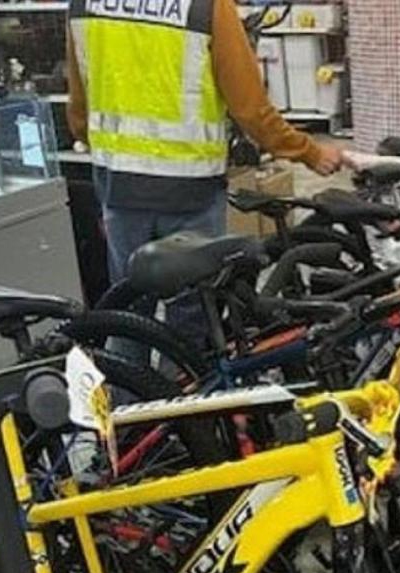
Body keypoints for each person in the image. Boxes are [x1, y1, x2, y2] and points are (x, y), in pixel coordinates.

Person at [64, 0, 344, 349]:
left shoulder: (84, 4)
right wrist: (311, 152)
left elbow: (78, 106)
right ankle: (187, 382)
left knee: (129, 314)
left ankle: (127, 382)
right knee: (192, 312)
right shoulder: (206, 5)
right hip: (189, 188)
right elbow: (250, 109)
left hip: (119, 185)